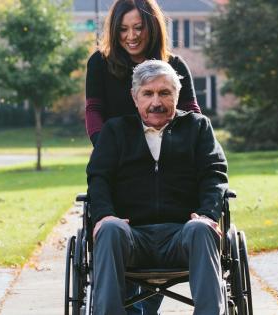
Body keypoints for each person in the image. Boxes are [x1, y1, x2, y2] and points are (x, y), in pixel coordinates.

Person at [87, 60, 228, 315]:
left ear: (177, 95)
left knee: (201, 228)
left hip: (182, 234)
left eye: (164, 93)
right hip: (131, 235)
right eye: (148, 93)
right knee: (108, 228)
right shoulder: (115, 131)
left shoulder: (198, 127)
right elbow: (98, 179)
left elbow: (214, 175)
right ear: (134, 97)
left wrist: (207, 214)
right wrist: (104, 215)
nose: (156, 102)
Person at [85, 0, 201, 147]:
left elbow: (192, 113)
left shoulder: (175, 65)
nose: (131, 36)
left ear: (153, 26)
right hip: (118, 152)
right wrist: (103, 145)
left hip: (167, 153)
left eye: (138, 28)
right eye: (123, 29)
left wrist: (196, 143)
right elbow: (93, 110)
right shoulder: (99, 63)